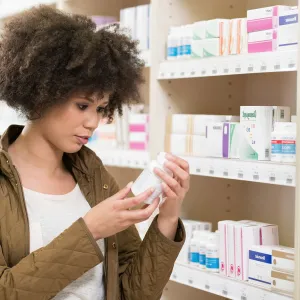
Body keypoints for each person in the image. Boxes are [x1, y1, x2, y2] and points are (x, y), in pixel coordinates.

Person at [0, 5, 190, 300]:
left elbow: (133, 292)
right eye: (82, 105)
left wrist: (168, 218)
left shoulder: (94, 176)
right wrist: (89, 231)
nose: (93, 122)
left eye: (100, 109)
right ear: (41, 94)